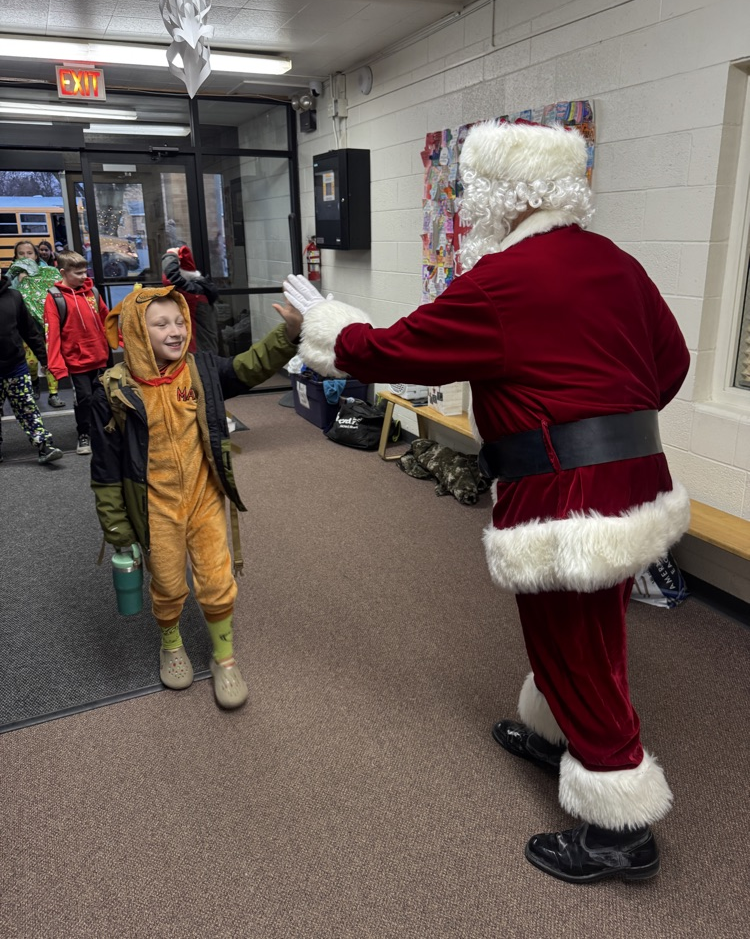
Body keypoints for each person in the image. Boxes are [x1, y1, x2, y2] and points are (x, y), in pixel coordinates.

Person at [282, 119, 691, 884]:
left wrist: (325, 323)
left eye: (474, 196)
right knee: (582, 631)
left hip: (564, 494)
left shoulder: (506, 280)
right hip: (628, 484)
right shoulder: (618, 264)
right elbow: (670, 366)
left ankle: (619, 827)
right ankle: (563, 733)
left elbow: (396, 347)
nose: (467, 213)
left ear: (507, 196)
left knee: (577, 642)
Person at [89, 284, 302, 709]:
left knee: (217, 580)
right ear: (135, 330)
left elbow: (249, 367)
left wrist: (290, 334)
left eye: (180, 321)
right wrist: (117, 528)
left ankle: (224, 658)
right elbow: (106, 471)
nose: (175, 331)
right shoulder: (112, 392)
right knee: (167, 583)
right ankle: (171, 644)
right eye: (161, 323)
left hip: (204, 497)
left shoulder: (201, 370)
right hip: (155, 507)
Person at [44, 251, 111, 456]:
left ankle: (105, 431)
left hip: (100, 357)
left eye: (85, 271)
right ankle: (84, 434)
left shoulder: (93, 293)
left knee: (104, 397)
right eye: (78, 273)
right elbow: (52, 334)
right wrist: (56, 366)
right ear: (63, 272)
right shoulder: (55, 297)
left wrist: (125, 341)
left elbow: (107, 321)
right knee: (85, 399)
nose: (84, 277)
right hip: (77, 361)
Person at [0, 268, 63, 465]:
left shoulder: (14, 296)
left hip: (15, 365)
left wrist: (45, 359)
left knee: (28, 408)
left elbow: (29, 331)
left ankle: (44, 446)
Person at [8, 241, 65, 408]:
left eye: (29, 253)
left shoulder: (48, 273)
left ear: (36, 255)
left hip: (48, 325)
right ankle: (34, 385)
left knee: (50, 359)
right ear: (16, 256)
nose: (26, 257)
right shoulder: (12, 276)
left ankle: (54, 394)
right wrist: (20, 282)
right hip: (26, 327)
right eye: (21, 254)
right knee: (30, 363)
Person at [161, 245, 220, 353]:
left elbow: (170, 279)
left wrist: (171, 255)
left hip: (199, 353)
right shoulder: (201, 291)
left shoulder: (194, 294)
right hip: (204, 349)